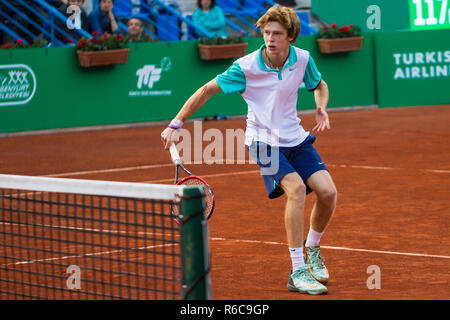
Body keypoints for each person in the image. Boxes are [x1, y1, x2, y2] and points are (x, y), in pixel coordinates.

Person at [160, 6, 337, 295]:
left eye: (277, 33)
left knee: (328, 193)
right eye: (267, 32)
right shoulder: (246, 67)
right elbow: (206, 89)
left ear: (290, 36)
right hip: (262, 140)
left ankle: (312, 250)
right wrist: (176, 124)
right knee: (295, 189)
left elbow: (320, 85)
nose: (270, 38)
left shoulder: (303, 59)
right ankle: (297, 270)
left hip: (295, 137)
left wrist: (321, 106)